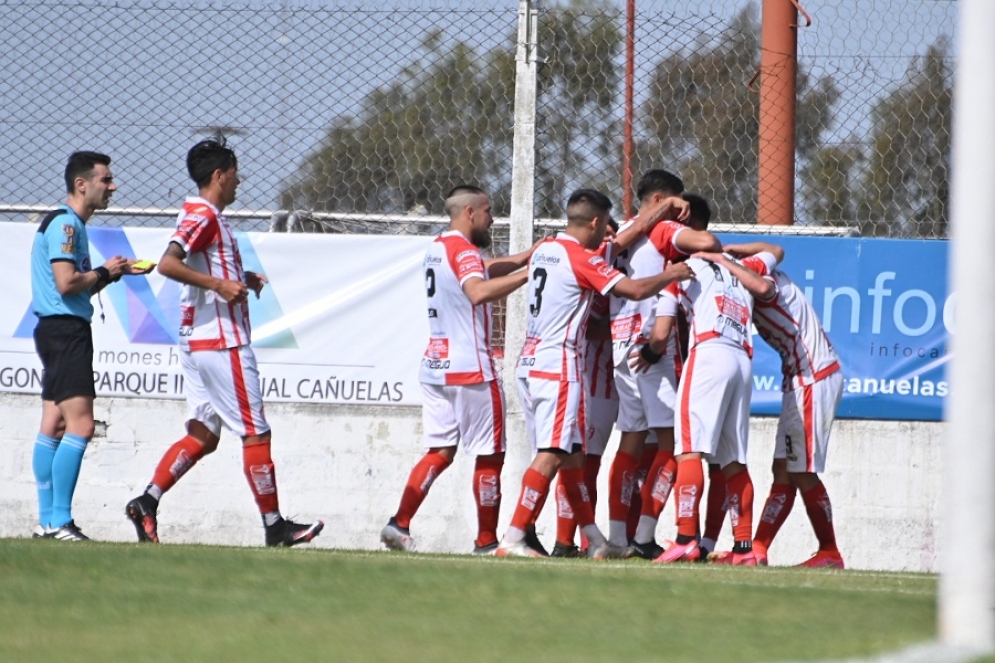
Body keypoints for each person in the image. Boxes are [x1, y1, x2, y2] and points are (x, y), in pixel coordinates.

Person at [125, 137, 323, 547]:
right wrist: (219, 284)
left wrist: (238, 279)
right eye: (235, 173)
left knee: (203, 435)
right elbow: (168, 264)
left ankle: (147, 501)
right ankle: (275, 527)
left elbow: (201, 262)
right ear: (219, 175)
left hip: (198, 342)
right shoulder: (204, 215)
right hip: (221, 343)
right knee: (255, 432)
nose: (239, 181)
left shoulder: (204, 215)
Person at [495, 189, 692, 559]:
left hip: (529, 362)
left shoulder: (547, 249)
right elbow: (634, 289)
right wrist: (671, 274)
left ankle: (596, 541)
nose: (608, 238)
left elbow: (630, 234)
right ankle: (514, 537)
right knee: (552, 453)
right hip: (559, 365)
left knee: (571, 456)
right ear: (597, 222)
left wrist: (664, 205)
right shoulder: (583, 259)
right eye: (604, 230)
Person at [380, 185, 533, 554]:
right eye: (488, 211)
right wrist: (530, 273)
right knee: (490, 455)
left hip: (437, 368)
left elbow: (483, 270)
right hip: (471, 369)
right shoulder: (464, 251)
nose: (491, 219)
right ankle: (486, 541)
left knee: (440, 451)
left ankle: (399, 524)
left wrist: (527, 256)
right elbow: (478, 291)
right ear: (470, 212)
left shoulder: (438, 247)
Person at [31, 151, 148, 541]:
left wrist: (112, 275)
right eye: (106, 179)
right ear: (81, 184)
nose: (113, 186)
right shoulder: (66, 225)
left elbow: (73, 286)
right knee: (80, 425)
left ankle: (47, 522)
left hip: (56, 330)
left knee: (54, 424)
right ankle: (60, 521)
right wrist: (102, 271)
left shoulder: (68, 224)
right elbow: (66, 283)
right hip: (66, 333)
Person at [607, 171, 722, 558]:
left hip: (620, 342)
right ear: (660, 200)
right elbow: (705, 241)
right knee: (675, 445)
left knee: (631, 440)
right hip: (651, 343)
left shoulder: (623, 233)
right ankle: (643, 537)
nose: (681, 214)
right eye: (678, 205)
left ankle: (617, 537)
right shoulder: (662, 229)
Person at [638, 249, 777, 565]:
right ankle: (744, 549)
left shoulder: (680, 269)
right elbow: (776, 252)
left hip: (708, 353)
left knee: (688, 450)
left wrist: (649, 353)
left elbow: (661, 332)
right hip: (742, 360)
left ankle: (686, 539)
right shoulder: (742, 264)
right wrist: (724, 253)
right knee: (734, 460)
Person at [715, 241, 846, 569]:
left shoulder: (757, 279)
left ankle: (830, 552)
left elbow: (761, 285)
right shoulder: (762, 265)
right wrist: (735, 250)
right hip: (799, 379)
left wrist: (723, 258)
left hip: (813, 377)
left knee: (802, 471)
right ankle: (758, 549)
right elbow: (775, 248)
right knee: (784, 470)